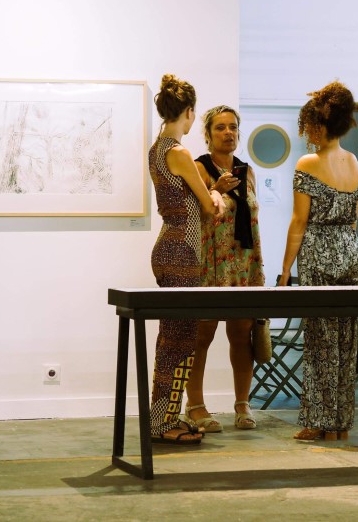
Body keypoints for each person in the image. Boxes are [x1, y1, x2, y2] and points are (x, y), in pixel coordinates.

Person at [278, 81, 358, 441]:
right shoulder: (352, 161)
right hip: (349, 251)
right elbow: (354, 218)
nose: (307, 132)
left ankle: (318, 420)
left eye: (310, 125)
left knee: (320, 339)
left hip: (318, 251)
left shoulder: (309, 163)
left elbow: (299, 221)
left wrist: (285, 270)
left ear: (319, 124)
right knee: (345, 341)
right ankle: (340, 424)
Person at [149, 75, 225, 445]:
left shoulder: (157, 148)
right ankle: (162, 423)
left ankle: (164, 417)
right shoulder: (178, 152)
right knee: (179, 340)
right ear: (190, 112)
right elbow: (208, 207)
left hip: (170, 247)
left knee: (174, 338)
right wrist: (218, 194)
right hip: (183, 250)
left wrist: (210, 193)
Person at [183, 105, 265, 433]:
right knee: (201, 335)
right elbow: (191, 213)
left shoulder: (247, 170)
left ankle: (242, 404)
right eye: (220, 127)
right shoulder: (199, 168)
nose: (228, 132)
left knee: (242, 334)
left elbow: (253, 217)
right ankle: (195, 406)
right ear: (208, 134)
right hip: (210, 265)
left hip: (244, 265)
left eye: (233, 127)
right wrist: (216, 189)